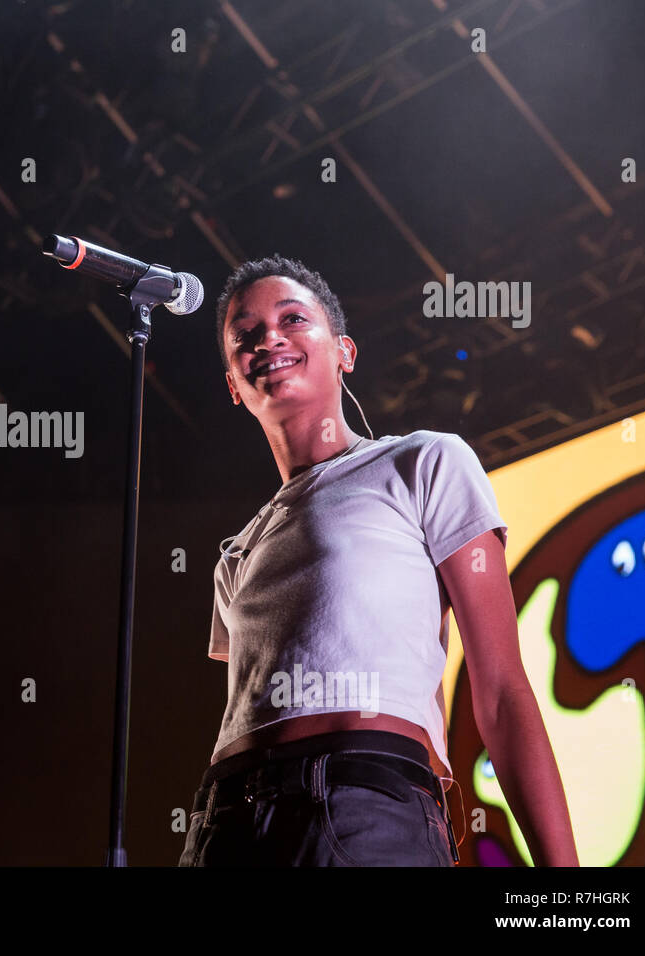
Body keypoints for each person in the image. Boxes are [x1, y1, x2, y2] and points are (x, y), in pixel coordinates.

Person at [178, 255, 578, 867]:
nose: (269, 338)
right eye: (245, 334)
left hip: (362, 803)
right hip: (224, 824)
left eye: (292, 318)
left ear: (344, 352)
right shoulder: (239, 551)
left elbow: (498, 690)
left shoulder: (423, 463)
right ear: (234, 383)